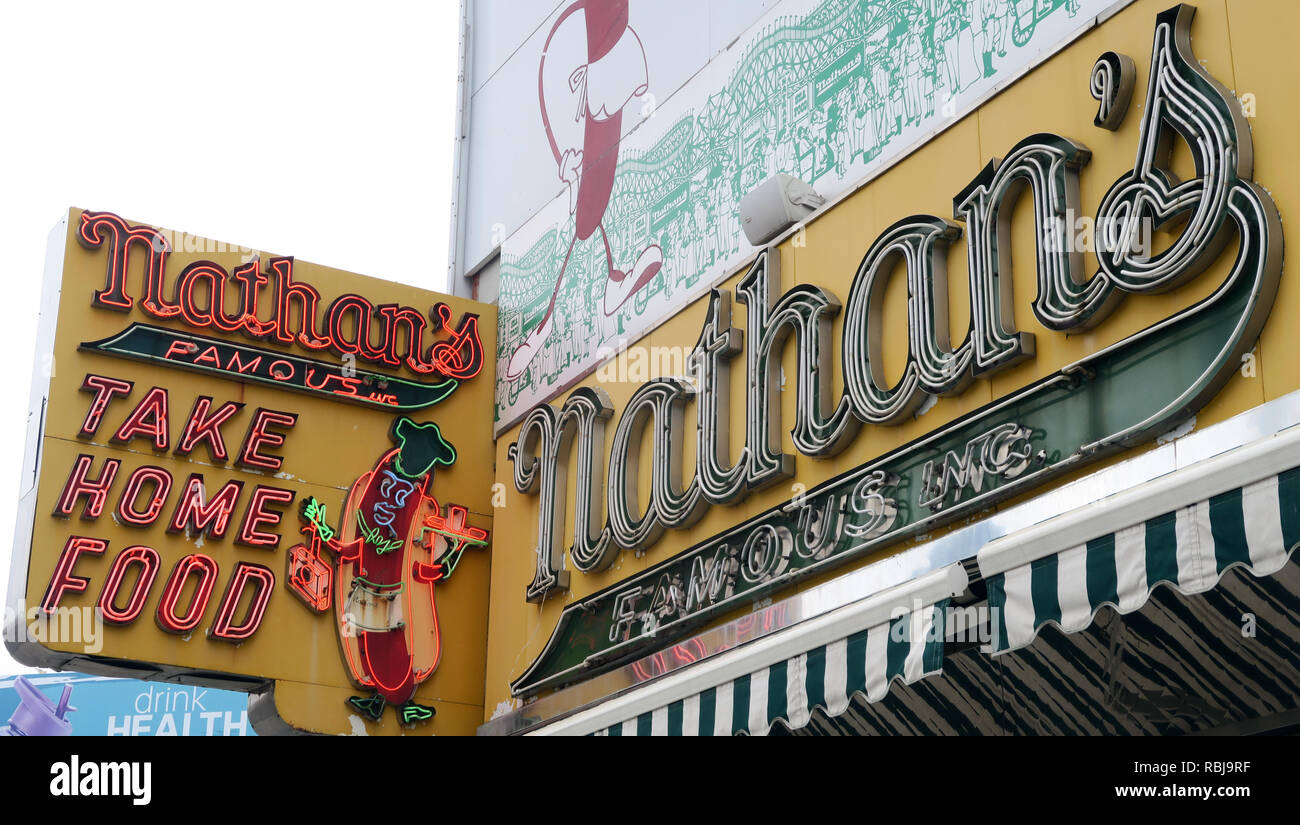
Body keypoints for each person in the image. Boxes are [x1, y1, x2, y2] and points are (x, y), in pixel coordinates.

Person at [506, 0, 664, 381]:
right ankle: (548, 323)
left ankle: (605, 285)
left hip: (600, 62)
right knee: (588, 203)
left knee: (594, 191)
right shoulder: (576, 70)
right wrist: (571, 172)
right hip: (582, 146)